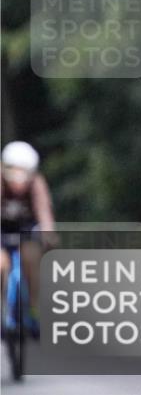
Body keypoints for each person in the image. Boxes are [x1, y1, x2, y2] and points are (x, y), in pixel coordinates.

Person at [1, 140, 57, 334]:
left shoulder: (37, 184)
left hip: (27, 230)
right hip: (2, 230)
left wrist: (48, 234)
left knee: (32, 261)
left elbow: (43, 211)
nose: (18, 180)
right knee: (1, 264)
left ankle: (34, 310)